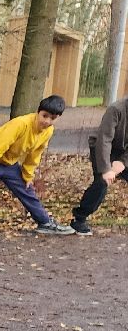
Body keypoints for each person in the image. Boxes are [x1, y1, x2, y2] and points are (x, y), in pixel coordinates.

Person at [0, 94, 75, 239]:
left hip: (8, 162)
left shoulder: (48, 131)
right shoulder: (21, 124)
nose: (47, 121)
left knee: (26, 188)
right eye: (45, 116)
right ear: (38, 112)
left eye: (52, 118)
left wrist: (28, 175)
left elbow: (35, 154)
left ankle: (45, 223)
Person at [69, 96, 128, 235]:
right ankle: (79, 219)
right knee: (102, 182)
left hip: (123, 152)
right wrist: (106, 169)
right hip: (101, 148)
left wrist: (123, 162)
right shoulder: (116, 109)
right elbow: (104, 139)